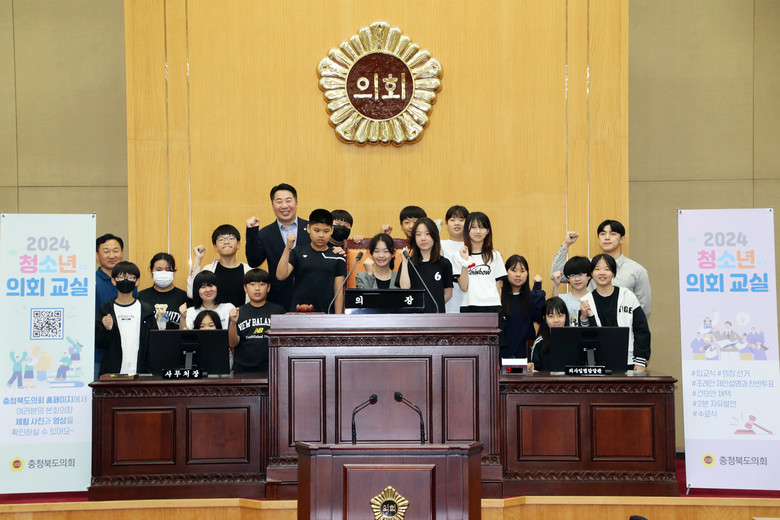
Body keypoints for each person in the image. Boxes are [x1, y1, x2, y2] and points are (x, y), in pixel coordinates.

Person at [550, 221, 652, 317]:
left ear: (622, 239)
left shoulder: (637, 270)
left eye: (613, 234)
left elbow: (643, 308)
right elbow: (556, 274)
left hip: (622, 326)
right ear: (598, 239)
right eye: (603, 234)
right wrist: (566, 244)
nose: (607, 238)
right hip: (591, 323)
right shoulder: (588, 265)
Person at [579, 254, 651, 371]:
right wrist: (584, 318)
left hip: (628, 361)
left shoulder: (627, 296)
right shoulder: (586, 301)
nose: (602, 273)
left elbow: (641, 330)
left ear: (613, 273)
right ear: (591, 273)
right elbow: (585, 336)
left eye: (607, 269)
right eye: (597, 269)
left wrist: (640, 361)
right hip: (598, 362)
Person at [246, 183, 311, 310]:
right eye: (279, 201)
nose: (284, 206)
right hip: (278, 301)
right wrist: (252, 232)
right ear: (272, 205)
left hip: (310, 298)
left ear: (296, 203)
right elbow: (254, 261)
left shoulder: (311, 228)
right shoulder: (265, 233)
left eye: (288, 200)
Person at [276, 209, 347, 313]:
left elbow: (338, 292)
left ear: (332, 230)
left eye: (326, 231)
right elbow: (281, 275)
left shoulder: (338, 257)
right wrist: (287, 248)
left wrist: (338, 318)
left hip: (326, 313)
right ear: (309, 228)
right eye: (316, 230)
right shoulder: (298, 252)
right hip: (299, 311)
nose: (321, 235)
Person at [95, 261, 158, 375]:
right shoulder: (105, 310)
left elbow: (154, 343)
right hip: (112, 373)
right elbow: (99, 343)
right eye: (121, 277)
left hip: (140, 373)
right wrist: (106, 330)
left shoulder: (146, 310)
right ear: (113, 281)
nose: (125, 280)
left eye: (130, 277)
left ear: (137, 281)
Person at [95, 234, 136, 378]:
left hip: (128, 355)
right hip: (99, 356)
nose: (112, 255)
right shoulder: (91, 282)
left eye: (116, 250)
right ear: (97, 255)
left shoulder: (130, 282)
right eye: (106, 251)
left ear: (122, 252)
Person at [228, 269, 285, 373]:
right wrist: (233, 323)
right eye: (252, 284)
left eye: (262, 284)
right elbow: (232, 344)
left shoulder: (278, 311)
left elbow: (284, 342)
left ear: (268, 287)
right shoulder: (238, 312)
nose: (257, 288)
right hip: (243, 369)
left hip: (272, 367)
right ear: (245, 288)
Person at [396, 217, 453, 313]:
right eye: (418, 234)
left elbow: (448, 293)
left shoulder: (444, 263)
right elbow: (405, 288)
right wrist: (405, 263)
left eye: (427, 234)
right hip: (414, 316)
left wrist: (434, 307)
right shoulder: (408, 263)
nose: (423, 238)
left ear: (434, 236)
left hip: (436, 315)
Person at [189, 224, 251, 308]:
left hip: (242, 315)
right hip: (214, 316)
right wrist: (197, 259)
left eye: (231, 238)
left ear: (238, 244)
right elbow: (192, 293)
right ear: (215, 247)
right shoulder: (209, 270)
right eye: (221, 239)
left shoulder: (249, 271)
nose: (226, 242)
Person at [457, 212, 506, 313]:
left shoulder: (495, 255)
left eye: (482, 227)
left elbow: (498, 286)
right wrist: (465, 261)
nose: (478, 231)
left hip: (493, 306)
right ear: (467, 230)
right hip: (469, 306)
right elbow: (464, 287)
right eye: (473, 227)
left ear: (488, 231)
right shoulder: (459, 255)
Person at [500, 255, 545, 359]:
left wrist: (537, 288)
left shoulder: (532, 297)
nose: (518, 274)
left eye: (522, 271)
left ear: (527, 274)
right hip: (502, 356)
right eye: (513, 270)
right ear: (505, 272)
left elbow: (540, 317)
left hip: (525, 357)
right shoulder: (498, 296)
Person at [138, 252, 189, 329]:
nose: (163, 273)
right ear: (151, 273)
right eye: (159, 270)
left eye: (168, 270)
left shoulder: (184, 297)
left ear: (174, 273)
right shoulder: (141, 296)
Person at [528, 297, 569, 372]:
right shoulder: (539, 344)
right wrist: (531, 370)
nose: (556, 320)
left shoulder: (573, 340)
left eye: (560, 315)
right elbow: (535, 371)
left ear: (566, 317)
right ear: (545, 319)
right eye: (551, 316)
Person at [440, 205, 469, 313]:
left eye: (461, 220)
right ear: (446, 224)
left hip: (469, 299)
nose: (457, 223)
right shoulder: (439, 245)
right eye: (452, 220)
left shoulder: (474, 246)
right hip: (447, 299)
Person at [551, 256, 591, 326]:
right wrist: (556, 284)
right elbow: (553, 309)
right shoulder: (562, 298)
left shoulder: (594, 299)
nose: (577, 279)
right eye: (572, 275)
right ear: (568, 278)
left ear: (589, 276)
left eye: (580, 274)